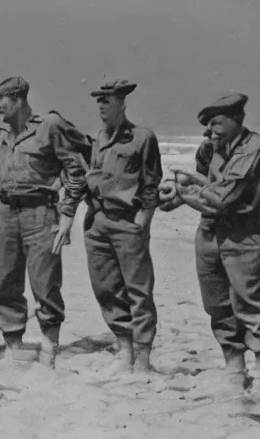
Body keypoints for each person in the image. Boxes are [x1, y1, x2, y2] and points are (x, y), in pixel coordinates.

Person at [160, 92, 260, 392]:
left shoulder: (255, 147)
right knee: (217, 304)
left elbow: (223, 197)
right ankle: (234, 366)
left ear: (236, 120)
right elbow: (207, 184)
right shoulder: (211, 148)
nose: (210, 130)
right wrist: (176, 192)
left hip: (242, 234)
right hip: (209, 232)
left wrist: (184, 193)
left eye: (216, 123)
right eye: (208, 125)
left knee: (250, 303)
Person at [0, 76, 89, 367]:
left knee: (45, 281)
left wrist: (67, 213)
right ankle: (13, 342)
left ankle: (49, 344)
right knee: (6, 281)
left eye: (0, 100)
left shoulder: (49, 127)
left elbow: (76, 171)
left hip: (41, 214)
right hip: (7, 215)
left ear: (18, 99)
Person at [82, 80, 162, 373]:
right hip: (98, 222)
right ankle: (124, 347)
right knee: (106, 288)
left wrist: (144, 220)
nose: (102, 106)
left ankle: (142, 356)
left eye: (107, 100)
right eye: (99, 101)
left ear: (121, 102)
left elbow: (152, 182)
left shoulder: (142, 137)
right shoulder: (97, 138)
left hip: (129, 222)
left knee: (138, 291)